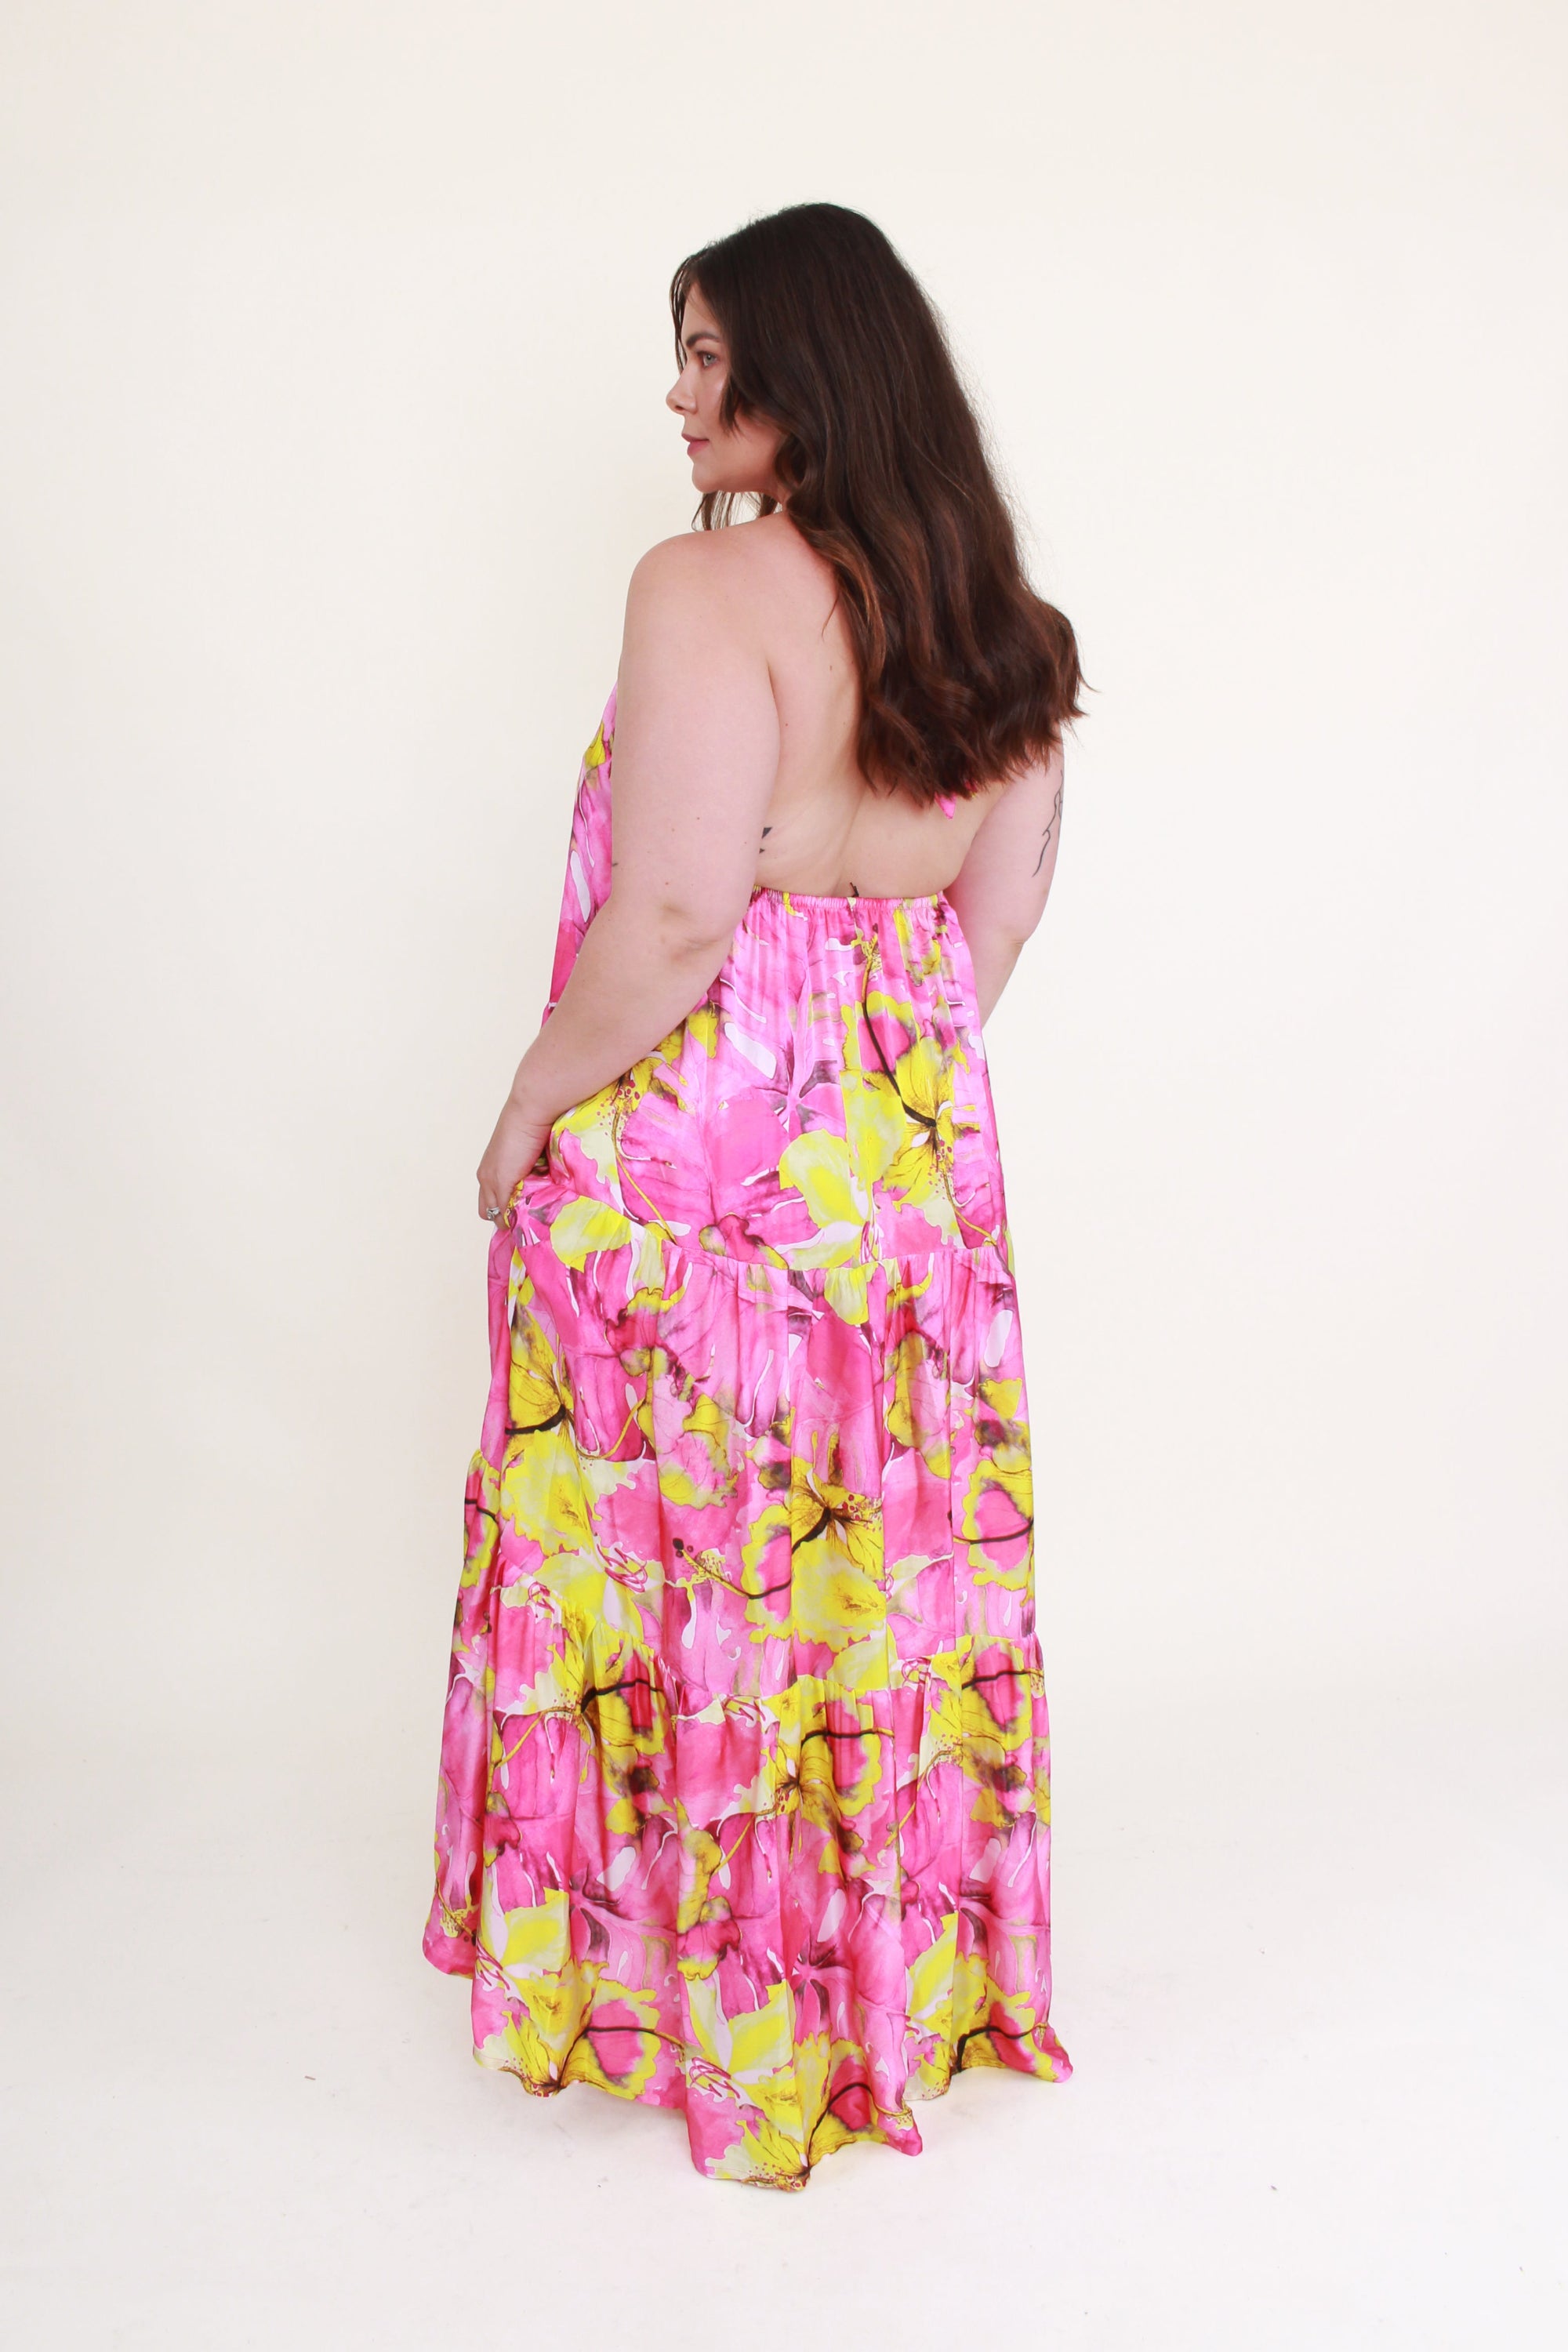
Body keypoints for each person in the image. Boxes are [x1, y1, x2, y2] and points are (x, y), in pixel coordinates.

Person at [423, 201, 1085, 2190]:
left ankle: (693, 2002)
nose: (679, 394)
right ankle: (871, 1998)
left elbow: (684, 908)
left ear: (809, 372)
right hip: (905, 1191)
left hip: (700, 1178)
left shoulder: (706, 594)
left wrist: (528, 1111)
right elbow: (1002, 905)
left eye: (709, 355)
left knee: (684, 1577)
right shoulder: (1002, 625)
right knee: (874, 1590)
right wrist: (875, 1102)